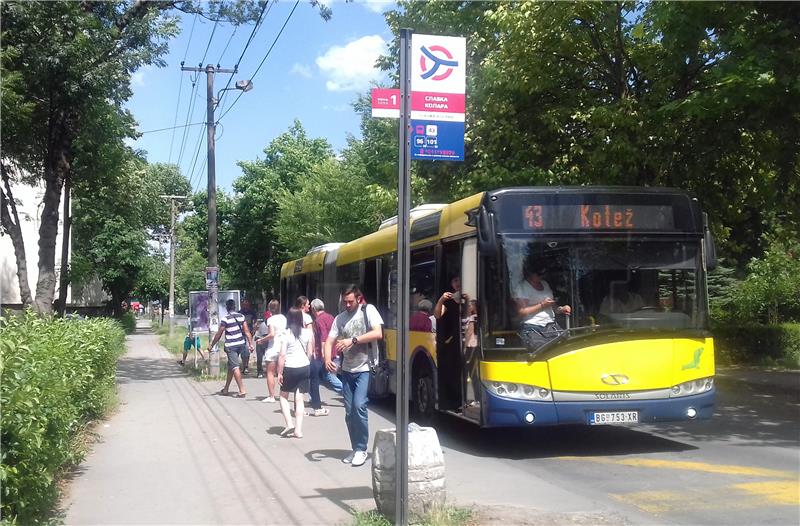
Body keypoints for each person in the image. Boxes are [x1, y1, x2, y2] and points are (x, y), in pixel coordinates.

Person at [324, 285, 384, 467]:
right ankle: (356, 448)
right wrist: (327, 358)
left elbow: (378, 333)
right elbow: (329, 340)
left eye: (351, 301)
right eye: (345, 301)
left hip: (365, 367)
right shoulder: (340, 318)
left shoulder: (369, 310)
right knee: (349, 413)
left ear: (358, 298)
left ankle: (362, 448)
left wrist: (353, 340)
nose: (347, 305)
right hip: (347, 370)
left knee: (359, 406)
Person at [513, 262, 571, 350]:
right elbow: (521, 311)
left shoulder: (545, 284)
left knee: (566, 346)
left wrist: (561, 309)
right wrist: (542, 305)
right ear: (530, 273)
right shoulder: (523, 287)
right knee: (543, 350)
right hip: (532, 326)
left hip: (550, 325)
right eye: (539, 274)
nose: (542, 276)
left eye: (544, 274)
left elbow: (552, 306)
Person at [276, 307, 312, 438]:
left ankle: (289, 423)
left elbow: (282, 355)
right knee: (299, 398)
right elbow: (310, 353)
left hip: (290, 367)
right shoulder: (308, 333)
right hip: (304, 366)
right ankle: (298, 430)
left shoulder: (286, 334)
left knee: (283, 396)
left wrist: (279, 373)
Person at [208, 299, 254, 397]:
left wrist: (212, 344)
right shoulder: (241, 316)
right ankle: (226, 389)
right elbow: (246, 331)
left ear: (227, 307)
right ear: (235, 307)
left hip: (231, 346)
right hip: (241, 343)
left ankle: (242, 390)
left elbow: (219, 334)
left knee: (235, 367)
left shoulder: (226, 319)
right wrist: (250, 344)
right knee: (231, 366)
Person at [434, 275, 465, 411]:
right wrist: (441, 300)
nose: (457, 283)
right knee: (454, 372)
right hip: (453, 342)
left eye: (459, 280)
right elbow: (437, 315)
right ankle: (456, 401)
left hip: (468, 340)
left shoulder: (468, 298)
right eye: (454, 280)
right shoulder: (448, 301)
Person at [308, 298, 341, 417]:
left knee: (315, 377)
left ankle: (315, 403)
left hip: (321, 354)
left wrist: (322, 354)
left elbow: (323, 338)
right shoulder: (331, 317)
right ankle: (347, 393)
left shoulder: (318, 320)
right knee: (326, 376)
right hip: (332, 351)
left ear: (313, 309)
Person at [260, 300, 286, 403]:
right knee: (282, 372)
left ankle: (271, 396)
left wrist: (261, 340)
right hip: (283, 347)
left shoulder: (270, 319)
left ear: (269, 308)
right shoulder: (283, 318)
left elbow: (271, 334)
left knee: (270, 372)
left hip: (273, 347)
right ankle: (284, 394)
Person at [239, 299, 257, 374]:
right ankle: (244, 365)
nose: (245, 306)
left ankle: (246, 366)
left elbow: (255, 322)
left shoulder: (252, 312)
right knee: (243, 350)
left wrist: (254, 330)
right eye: (244, 304)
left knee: (248, 349)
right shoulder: (239, 313)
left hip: (249, 333)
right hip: (241, 333)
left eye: (247, 304)